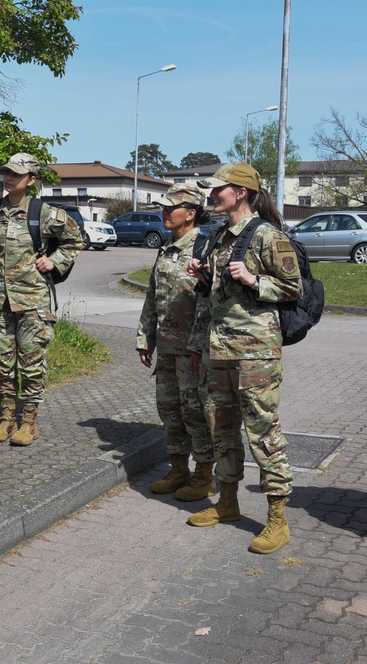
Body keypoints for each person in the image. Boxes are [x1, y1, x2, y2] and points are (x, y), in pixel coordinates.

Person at [185, 162, 302, 554]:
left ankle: (277, 519)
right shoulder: (218, 235)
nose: (212, 195)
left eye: (219, 189)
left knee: (263, 433)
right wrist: (204, 279)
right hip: (218, 347)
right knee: (221, 427)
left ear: (241, 193)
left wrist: (255, 280)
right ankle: (228, 503)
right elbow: (217, 294)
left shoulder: (268, 236)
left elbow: (292, 288)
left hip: (255, 352)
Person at [0, 153, 82, 446]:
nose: (9, 178)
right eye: (7, 173)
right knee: (1, 361)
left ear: (31, 180)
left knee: (31, 363)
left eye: (16, 175)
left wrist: (54, 261)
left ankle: (28, 422)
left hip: (33, 301)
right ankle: (7, 418)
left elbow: (75, 240)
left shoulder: (44, 213)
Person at [136, 184, 216, 501]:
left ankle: (204, 476)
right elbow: (153, 297)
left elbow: (210, 304)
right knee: (170, 411)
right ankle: (178, 469)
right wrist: (146, 338)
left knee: (195, 412)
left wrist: (198, 346)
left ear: (191, 212)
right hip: (167, 347)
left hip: (193, 350)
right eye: (164, 207)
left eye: (171, 207)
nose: (165, 212)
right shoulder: (167, 248)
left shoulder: (205, 248)